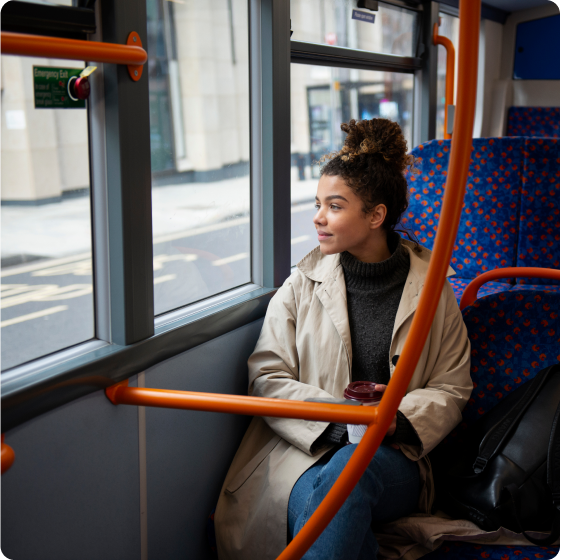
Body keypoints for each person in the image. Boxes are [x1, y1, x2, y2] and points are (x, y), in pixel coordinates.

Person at [214, 118, 472, 560]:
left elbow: (452, 385)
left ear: (376, 216)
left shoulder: (432, 291)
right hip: (304, 453)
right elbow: (268, 375)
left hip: (393, 458)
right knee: (333, 506)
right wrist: (335, 424)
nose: (318, 217)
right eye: (318, 204)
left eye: (334, 206)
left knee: (349, 476)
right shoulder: (301, 283)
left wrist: (391, 421)